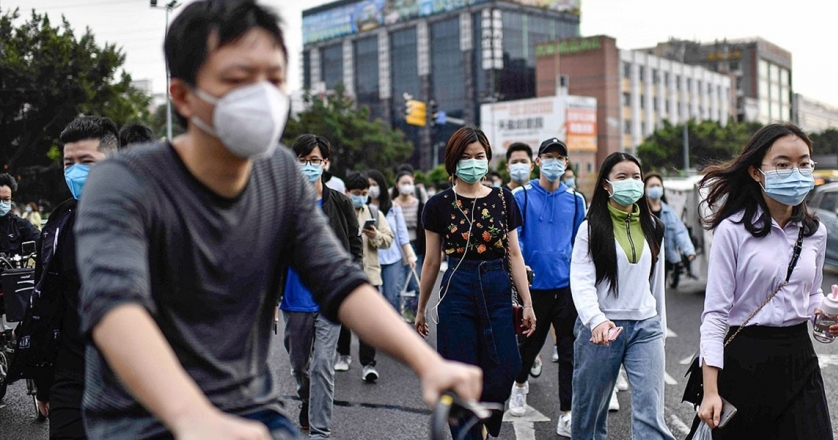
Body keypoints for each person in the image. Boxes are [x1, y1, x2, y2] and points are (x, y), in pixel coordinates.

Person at [72, 2, 482, 439]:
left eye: (273, 78)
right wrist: (193, 418)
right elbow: (116, 307)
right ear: (183, 96)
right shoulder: (124, 181)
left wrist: (428, 364)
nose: (261, 96)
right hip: (143, 420)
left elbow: (338, 279)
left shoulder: (280, 173)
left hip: (249, 408)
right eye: (237, 79)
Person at [695, 123, 838, 439]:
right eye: (782, 164)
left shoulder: (815, 232)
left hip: (799, 358)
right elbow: (715, 315)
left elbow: (812, 292)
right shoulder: (732, 231)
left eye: (804, 163)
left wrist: (825, 315)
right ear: (755, 172)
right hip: (744, 361)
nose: (796, 171)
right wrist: (710, 390)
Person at [416, 126, 537, 440]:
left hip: (496, 284)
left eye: (479, 156)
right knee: (459, 372)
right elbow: (431, 261)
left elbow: (514, 253)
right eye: (466, 157)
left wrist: (527, 303)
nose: (473, 162)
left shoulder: (503, 198)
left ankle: (482, 423)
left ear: (488, 159)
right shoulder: (437, 205)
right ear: (453, 162)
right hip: (457, 288)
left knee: (507, 364)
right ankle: (467, 434)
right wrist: (420, 308)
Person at [22, 116, 119, 439]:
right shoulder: (59, 224)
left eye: (87, 162)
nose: (75, 171)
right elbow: (47, 302)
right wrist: (43, 382)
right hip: (73, 378)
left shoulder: (149, 218)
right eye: (69, 163)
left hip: (135, 380)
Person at [569, 152, 673, 440]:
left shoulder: (653, 227)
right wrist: (596, 320)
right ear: (606, 184)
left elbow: (655, 286)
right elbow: (581, 281)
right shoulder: (589, 229)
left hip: (645, 329)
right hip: (602, 330)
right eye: (622, 177)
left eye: (636, 177)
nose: (632, 183)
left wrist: (660, 330)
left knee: (650, 414)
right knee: (589, 415)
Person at [281, 134, 362, 438]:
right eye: (303, 161)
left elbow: (354, 245)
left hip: (330, 299)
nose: (309, 166)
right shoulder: (285, 203)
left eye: (315, 161)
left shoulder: (340, 202)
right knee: (300, 366)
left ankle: (319, 432)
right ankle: (306, 399)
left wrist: (350, 284)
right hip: (294, 298)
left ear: (326, 164)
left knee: (322, 366)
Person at [508, 138, 586, 438]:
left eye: (560, 158)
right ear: (537, 162)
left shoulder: (576, 200)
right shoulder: (521, 196)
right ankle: (519, 384)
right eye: (548, 157)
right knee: (529, 346)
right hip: (533, 287)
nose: (554, 163)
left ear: (566, 164)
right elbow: (515, 240)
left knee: (569, 352)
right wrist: (523, 270)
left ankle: (566, 413)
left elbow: (579, 244)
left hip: (566, 288)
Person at [336, 171, 394, 381]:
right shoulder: (340, 211)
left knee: (368, 322)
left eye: (364, 193)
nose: (361, 196)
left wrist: (375, 235)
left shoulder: (374, 213)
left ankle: (368, 364)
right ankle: (343, 355)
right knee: (343, 318)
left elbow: (389, 239)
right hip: (344, 273)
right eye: (356, 193)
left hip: (370, 275)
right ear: (347, 192)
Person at [367, 169, 417, 317]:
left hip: (392, 259)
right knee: (373, 299)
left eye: (374, 184)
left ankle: (390, 333)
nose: (372, 189)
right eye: (369, 185)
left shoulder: (394, 208)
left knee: (391, 297)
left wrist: (409, 255)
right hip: (371, 259)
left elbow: (402, 234)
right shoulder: (363, 208)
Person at [643, 172, 697, 288]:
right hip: (644, 258)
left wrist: (689, 251)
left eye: (658, 185)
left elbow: (680, 231)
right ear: (645, 189)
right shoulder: (640, 212)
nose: (656, 188)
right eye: (652, 186)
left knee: (659, 290)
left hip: (664, 258)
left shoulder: (669, 212)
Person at [391, 169, 426, 321]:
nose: (406, 186)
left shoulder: (420, 205)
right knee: (397, 284)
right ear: (397, 185)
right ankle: (396, 317)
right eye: (403, 183)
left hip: (415, 247)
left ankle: (412, 315)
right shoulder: (392, 205)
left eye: (409, 183)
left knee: (415, 282)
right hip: (397, 249)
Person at [0, 173, 40, 256]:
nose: (2, 203)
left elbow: (43, 242)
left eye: (6, 199)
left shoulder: (21, 225)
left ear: (11, 199)